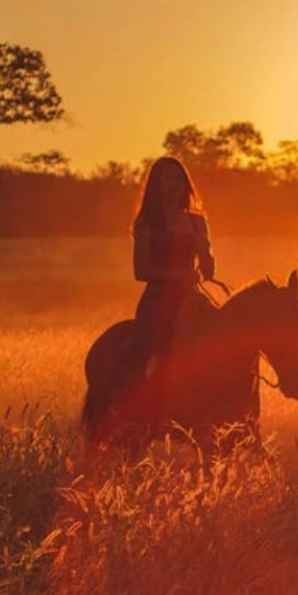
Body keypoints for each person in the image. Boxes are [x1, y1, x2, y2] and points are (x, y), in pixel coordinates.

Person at [113, 156, 217, 414]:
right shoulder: (147, 222)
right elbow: (141, 271)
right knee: (143, 347)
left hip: (191, 298)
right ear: (156, 184)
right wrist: (178, 275)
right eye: (168, 179)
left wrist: (206, 254)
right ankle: (133, 410)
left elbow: (209, 271)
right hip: (158, 298)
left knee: (221, 338)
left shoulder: (197, 220)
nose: (175, 184)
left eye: (179, 179)